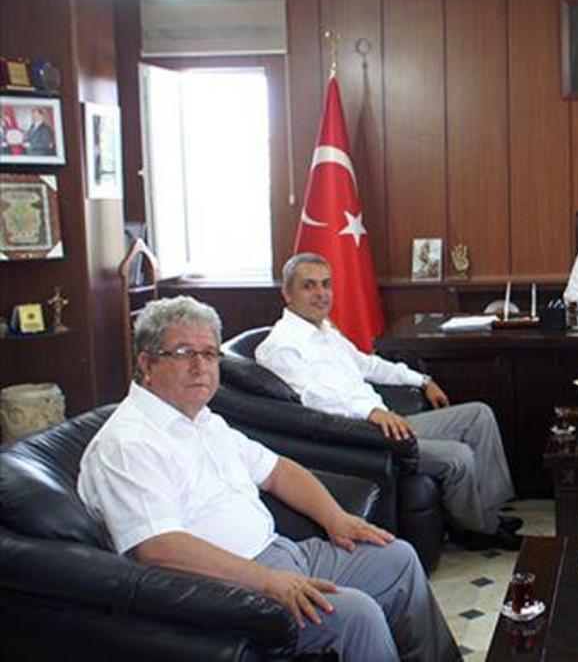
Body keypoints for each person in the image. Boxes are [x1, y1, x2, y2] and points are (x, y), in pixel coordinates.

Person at [77, 296, 460, 662]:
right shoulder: (128, 443)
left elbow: (279, 472)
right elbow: (159, 548)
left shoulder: (205, 420)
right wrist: (267, 581)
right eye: (183, 353)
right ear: (147, 363)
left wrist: (336, 518)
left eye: (208, 353)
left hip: (282, 553)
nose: (200, 367)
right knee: (357, 614)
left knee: (397, 557)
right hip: (225, 588)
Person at [257, 253, 521, 551]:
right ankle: (479, 531)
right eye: (309, 286)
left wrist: (422, 380)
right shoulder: (280, 347)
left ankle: (487, 514)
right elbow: (312, 398)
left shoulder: (326, 332)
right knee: (458, 456)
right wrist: (370, 412)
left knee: (479, 415)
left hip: (387, 423)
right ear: (287, 293)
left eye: (326, 284)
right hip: (361, 437)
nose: (321, 293)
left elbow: (369, 365)